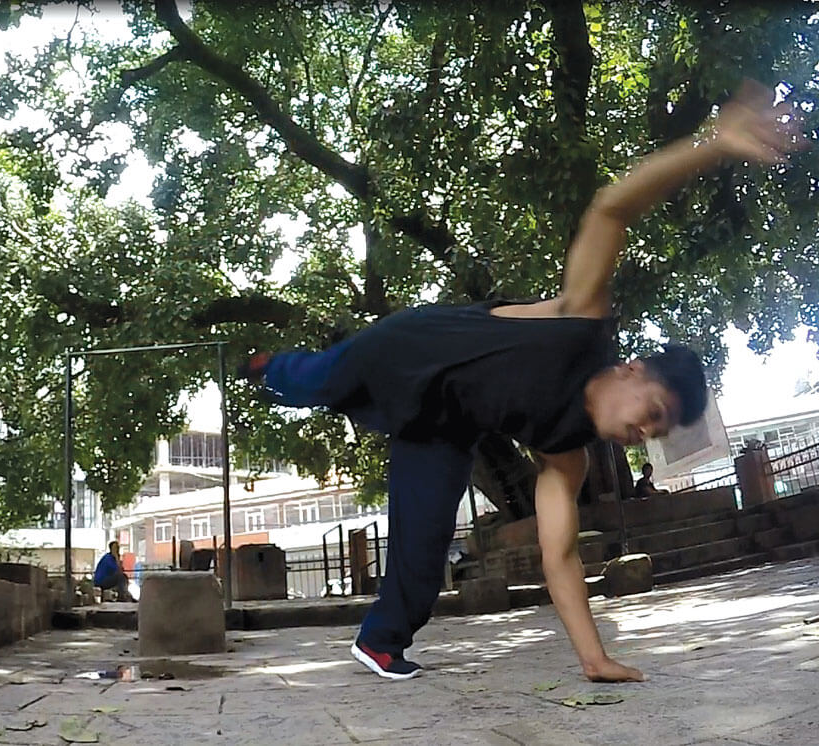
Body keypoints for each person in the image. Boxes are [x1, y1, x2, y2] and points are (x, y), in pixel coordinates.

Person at [241, 81, 803, 682]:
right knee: (317, 381)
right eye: (653, 411)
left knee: (425, 548)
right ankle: (266, 367)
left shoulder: (567, 456)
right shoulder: (581, 319)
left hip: (441, 429)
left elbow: (558, 555)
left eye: (654, 431)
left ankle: (380, 642)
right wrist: (714, 144)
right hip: (407, 352)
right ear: (633, 369)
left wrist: (594, 658)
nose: (643, 431)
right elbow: (611, 206)